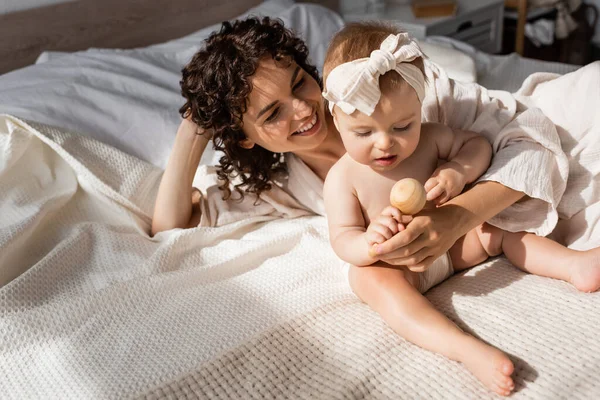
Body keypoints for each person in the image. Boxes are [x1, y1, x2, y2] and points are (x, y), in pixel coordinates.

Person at [321, 24, 600, 396]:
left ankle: (571, 265)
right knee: (368, 279)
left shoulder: (432, 137)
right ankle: (465, 349)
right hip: (400, 263)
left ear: (419, 106)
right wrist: (370, 243)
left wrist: (458, 171)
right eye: (363, 133)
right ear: (337, 120)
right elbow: (342, 238)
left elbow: (478, 146)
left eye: (402, 125)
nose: (385, 143)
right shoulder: (343, 178)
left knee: (499, 228)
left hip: (455, 243)